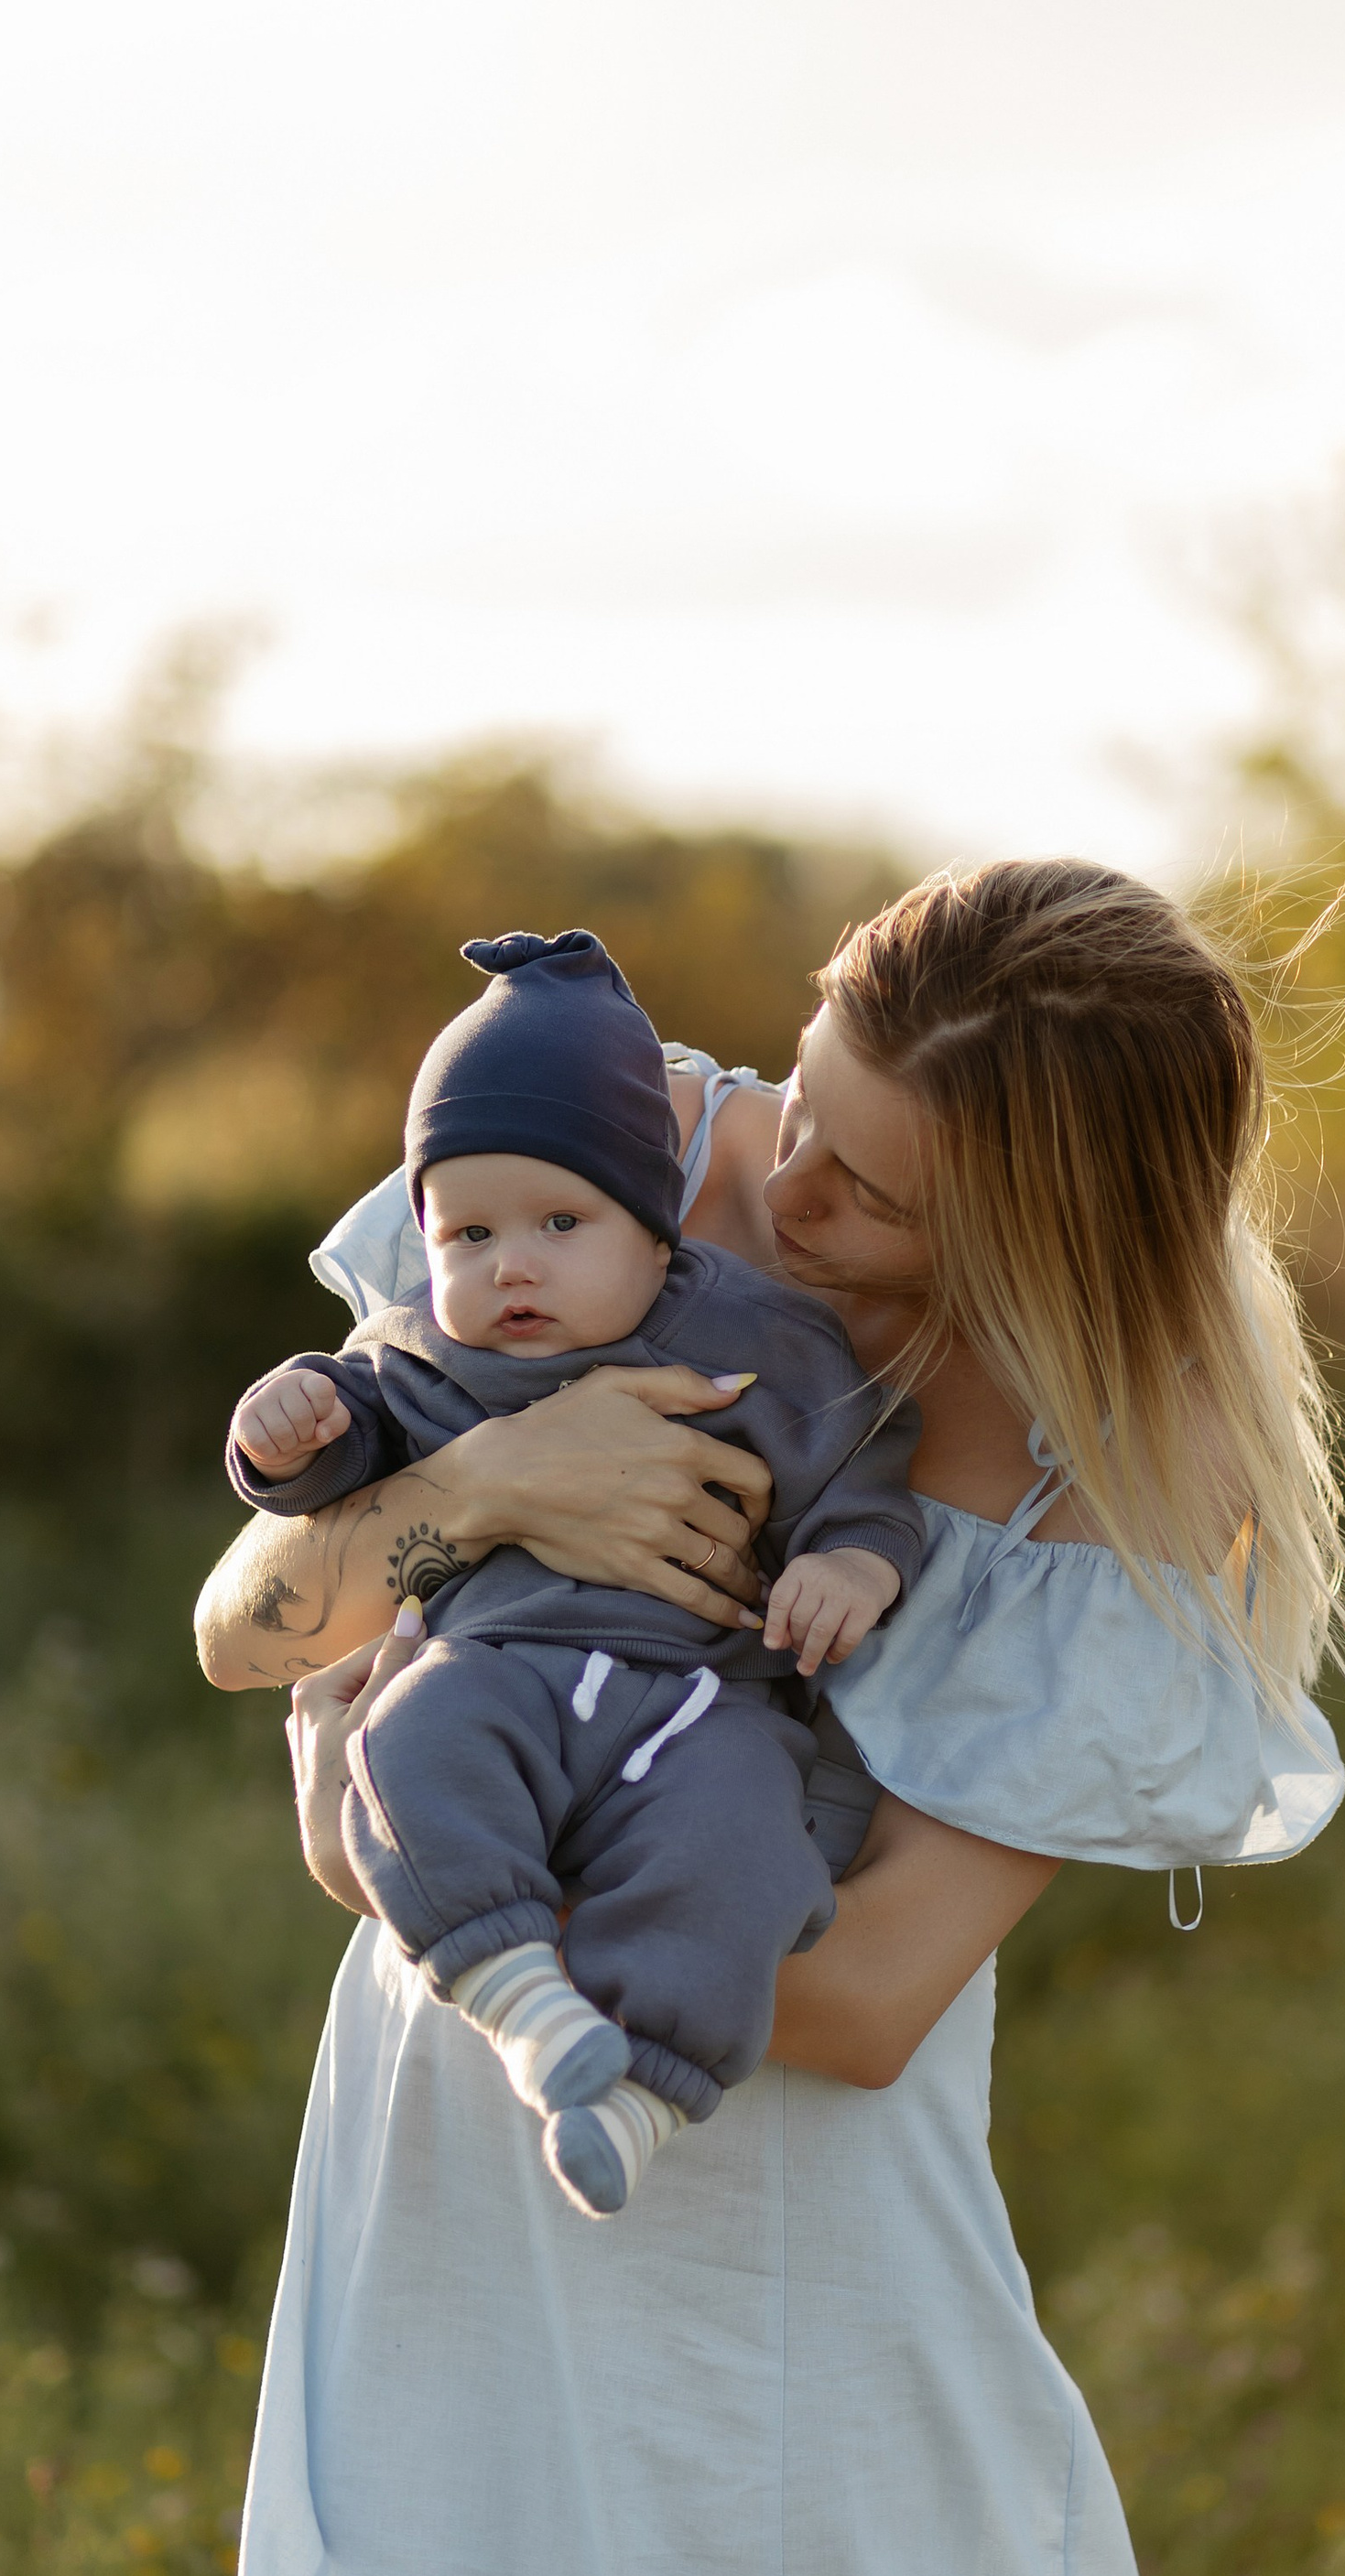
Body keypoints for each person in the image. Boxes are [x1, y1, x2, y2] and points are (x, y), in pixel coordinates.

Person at [155, 860, 1345, 2576]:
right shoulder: (596, 1158)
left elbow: (876, 1994)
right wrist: (496, 1484)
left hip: (778, 2235)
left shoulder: (1114, 1473)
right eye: (802, 1107)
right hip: (447, 2164)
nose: (782, 1180)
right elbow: (246, 1620)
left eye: (871, 1190)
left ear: (1031, 1232)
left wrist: (447, 1854)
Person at [222, 926, 921, 2213]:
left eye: (560, 1222)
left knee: (744, 1852)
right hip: (498, 1671)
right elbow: (322, 1480)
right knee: (413, 1747)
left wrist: (853, 1570)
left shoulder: (764, 1337)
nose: (513, 1265)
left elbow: (862, 1487)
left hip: (702, 1706)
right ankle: (523, 2001)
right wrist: (289, 1426)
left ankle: (647, 2090)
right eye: (469, 1233)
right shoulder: (433, 1354)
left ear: (654, 1230)